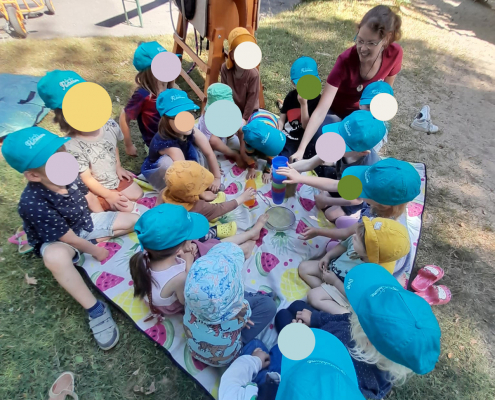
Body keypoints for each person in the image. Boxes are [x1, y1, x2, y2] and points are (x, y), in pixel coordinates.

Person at [2, 127, 139, 350]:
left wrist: (103, 218)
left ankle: (94, 241)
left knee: (135, 220)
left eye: (63, 151)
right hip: (61, 241)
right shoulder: (32, 203)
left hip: (84, 224)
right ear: (33, 175)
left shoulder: (68, 172)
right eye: (55, 160)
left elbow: (88, 196)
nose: (65, 160)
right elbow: (69, 238)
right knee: (55, 258)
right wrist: (96, 251)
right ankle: (95, 309)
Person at [275, 263, 441, 399]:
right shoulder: (390, 360)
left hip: (316, 355)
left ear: (368, 340)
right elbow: (344, 319)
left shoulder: (360, 381)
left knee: (282, 316)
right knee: (297, 306)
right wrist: (316, 318)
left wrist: (299, 334)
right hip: (326, 333)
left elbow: (317, 369)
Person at [290, 5, 403, 162]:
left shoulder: (395, 54)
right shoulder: (345, 61)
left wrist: (371, 127)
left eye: (371, 43)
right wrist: (301, 150)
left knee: (362, 153)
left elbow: (384, 95)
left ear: (386, 39)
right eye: (360, 40)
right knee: (325, 142)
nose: (363, 48)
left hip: (363, 118)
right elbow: (321, 110)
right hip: (336, 116)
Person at [37, 70, 144, 213]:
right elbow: (86, 178)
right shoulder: (71, 146)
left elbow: (113, 148)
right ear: (63, 115)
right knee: (127, 208)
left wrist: (118, 167)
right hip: (95, 189)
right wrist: (109, 195)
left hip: (114, 178)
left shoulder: (109, 125)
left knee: (138, 194)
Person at [297, 158, 421, 278]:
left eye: (364, 189)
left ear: (382, 204)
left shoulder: (375, 223)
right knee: (340, 223)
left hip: (373, 262)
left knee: (332, 249)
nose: (359, 187)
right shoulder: (391, 206)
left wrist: (318, 231)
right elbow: (338, 186)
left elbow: (346, 233)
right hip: (372, 243)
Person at [277, 110, 386, 222]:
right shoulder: (341, 146)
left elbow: (356, 200)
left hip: (357, 197)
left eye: (343, 145)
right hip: (342, 183)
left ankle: (354, 215)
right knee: (321, 199)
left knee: (330, 214)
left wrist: (326, 200)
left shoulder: (365, 171)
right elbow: (310, 163)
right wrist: (286, 168)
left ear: (362, 152)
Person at [183, 242, 277, 367]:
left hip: (195, 350)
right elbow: (243, 316)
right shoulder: (242, 310)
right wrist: (241, 318)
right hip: (228, 357)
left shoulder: (192, 298)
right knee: (269, 305)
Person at [299, 217, 410, 314]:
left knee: (313, 296)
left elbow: (354, 295)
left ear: (368, 253)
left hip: (344, 291)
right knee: (304, 268)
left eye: (356, 239)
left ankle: (345, 313)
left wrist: (334, 282)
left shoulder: (371, 273)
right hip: (332, 271)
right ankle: (326, 291)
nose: (353, 236)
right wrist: (327, 256)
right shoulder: (358, 239)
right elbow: (343, 245)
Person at [140, 88, 222, 192]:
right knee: (167, 164)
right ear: (166, 120)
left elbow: (209, 153)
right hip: (171, 170)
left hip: (185, 158)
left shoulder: (188, 128)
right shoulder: (168, 144)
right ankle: (175, 190)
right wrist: (200, 192)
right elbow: (184, 172)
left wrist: (216, 177)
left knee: (200, 149)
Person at [120, 41, 181, 153]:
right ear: (150, 73)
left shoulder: (171, 87)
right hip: (157, 145)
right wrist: (128, 145)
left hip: (176, 137)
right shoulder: (142, 95)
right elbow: (124, 117)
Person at [160, 161, 256, 225]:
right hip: (184, 232)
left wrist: (203, 194)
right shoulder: (197, 207)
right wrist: (243, 197)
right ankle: (215, 232)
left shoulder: (167, 190)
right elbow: (220, 208)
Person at [278, 57, 322, 160]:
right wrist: (277, 132)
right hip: (285, 135)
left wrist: (304, 105)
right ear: (293, 83)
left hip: (300, 141)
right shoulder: (290, 96)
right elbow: (282, 119)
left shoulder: (318, 100)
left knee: (287, 158)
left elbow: (306, 126)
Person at [196, 83, 248, 167]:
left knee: (243, 125)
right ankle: (234, 155)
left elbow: (242, 126)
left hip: (223, 135)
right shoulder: (206, 118)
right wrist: (234, 154)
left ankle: (243, 153)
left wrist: (243, 151)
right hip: (211, 143)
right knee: (212, 140)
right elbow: (208, 141)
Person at [221, 28, 260, 124]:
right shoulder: (225, 69)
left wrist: (244, 119)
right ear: (232, 55)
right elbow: (224, 94)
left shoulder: (253, 74)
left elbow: (251, 101)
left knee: (246, 129)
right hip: (232, 110)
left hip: (250, 112)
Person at [242, 113, 287, 184]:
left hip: (271, 120)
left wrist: (267, 171)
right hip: (254, 118)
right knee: (250, 152)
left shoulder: (273, 130)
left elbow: (271, 156)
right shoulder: (248, 141)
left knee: (271, 149)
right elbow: (249, 155)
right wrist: (251, 168)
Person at [358, 81, 394, 153]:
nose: (373, 113)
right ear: (360, 104)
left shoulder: (381, 132)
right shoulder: (352, 121)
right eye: (368, 107)